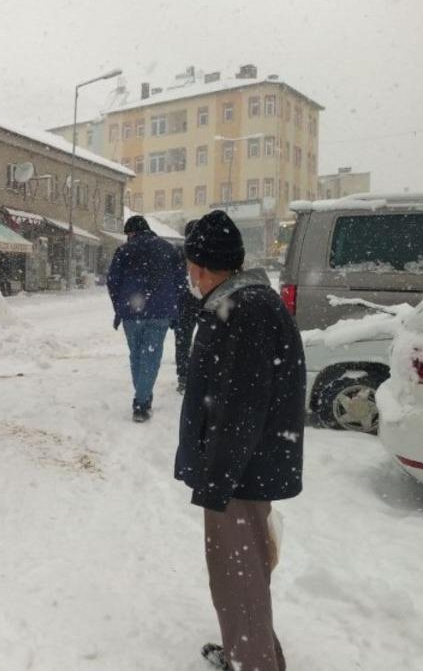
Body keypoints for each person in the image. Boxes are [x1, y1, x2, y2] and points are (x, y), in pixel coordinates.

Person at [176, 210, 306, 671]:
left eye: (191, 265)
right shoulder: (244, 302)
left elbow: (242, 405)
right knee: (245, 566)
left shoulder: (243, 310)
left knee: (238, 573)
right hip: (247, 464)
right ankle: (255, 652)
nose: (189, 275)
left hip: (240, 471)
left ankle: (252, 662)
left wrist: (218, 478)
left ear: (201, 266)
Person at [107, 215, 185, 422]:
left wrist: (119, 307)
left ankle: (142, 400)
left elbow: (113, 281)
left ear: (132, 233)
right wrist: (173, 306)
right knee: (151, 355)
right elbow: (180, 282)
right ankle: (142, 402)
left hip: (132, 313)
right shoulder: (169, 249)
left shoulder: (124, 251)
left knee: (136, 355)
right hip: (160, 312)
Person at [173, 219, 200, 394]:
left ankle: (183, 376)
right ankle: (201, 374)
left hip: (184, 302)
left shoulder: (179, 252)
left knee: (182, 340)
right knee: (207, 339)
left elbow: (174, 279)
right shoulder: (207, 251)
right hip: (205, 301)